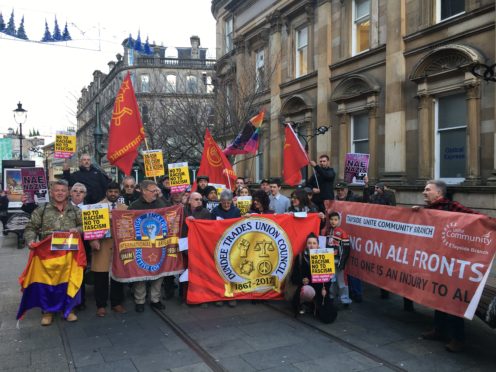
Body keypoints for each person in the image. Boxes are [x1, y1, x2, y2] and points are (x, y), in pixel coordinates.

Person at [417, 180, 478, 353]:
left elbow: (477, 218)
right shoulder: (429, 210)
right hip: (437, 262)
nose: (424, 192)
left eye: (427, 189)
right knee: (439, 296)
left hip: (452, 264)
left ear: (439, 193)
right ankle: (440, 330)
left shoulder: (452, 207)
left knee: (452, 300)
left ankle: (458, 338)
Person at [24, 179, 83, 326]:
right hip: (48, 256)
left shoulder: (75, 210)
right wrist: (31, 241)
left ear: (68, 192)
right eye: (57, 190)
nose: (60, 193)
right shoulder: (42, 209)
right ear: (51, 192)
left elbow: (85, 226)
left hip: (70, 255)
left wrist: (78, 230)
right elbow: (30, 227)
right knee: (49, 283)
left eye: (63, 190)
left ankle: (69, 310)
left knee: (69, 282)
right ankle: (48, 311)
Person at [128, 180, 168, 313]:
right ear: (144, 191)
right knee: (141, 270)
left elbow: (170, 216)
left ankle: (155, 299)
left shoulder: (161, 203)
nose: (156, 193)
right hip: (141, 244)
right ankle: (140, 300)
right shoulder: (135, 206)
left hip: (158, 243)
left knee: (159, 270)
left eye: (156, 191)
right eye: (153, 191)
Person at [89, 182, 127, 317]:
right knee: (101, 277)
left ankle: (116, 303)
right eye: (110, 191)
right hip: (102, 246)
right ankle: (101, 305)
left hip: (119, 247)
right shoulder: (97, 207)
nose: (113, 194)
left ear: (119, 193)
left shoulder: (125, 208)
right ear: (106, 192)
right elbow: (91, 228)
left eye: (116, 192)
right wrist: (93, 240)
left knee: (118, 275)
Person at [290, 233, 337, 323]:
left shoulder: (324, 256)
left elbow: (328, 277)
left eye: (314, 243)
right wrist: (302, 280)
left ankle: (314, 306)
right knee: (308, 290)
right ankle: (304, 303)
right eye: (309, 243)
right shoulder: (300, 257)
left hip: (320, 287)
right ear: (306, 245)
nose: (311, 245)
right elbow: (294, 277)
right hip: (307, 287)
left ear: (318, 245)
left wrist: (325, 288)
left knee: (327, 315)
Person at [334, 182, 363, 302]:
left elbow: (367, 203)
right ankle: (345, 292)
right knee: (342, 266)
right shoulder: (334, 201)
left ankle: (356, 293)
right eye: (338, 190)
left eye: (342, 190)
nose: (340, 192)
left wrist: (366, 186)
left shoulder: (355, 199)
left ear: (346, 190)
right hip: (339, 238)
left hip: (354, 237)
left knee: (354, 266)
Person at [210, 189, 241, 308]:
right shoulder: (215, 211)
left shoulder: (236, 210)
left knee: (232, 270)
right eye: (224, 203)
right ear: (220, 201)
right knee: (219, 271)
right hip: (219, 244)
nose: (227, 205)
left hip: (233, 245)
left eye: (229, 202)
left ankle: (231, 295)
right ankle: (219, 296)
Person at [181, 192, 211, 305]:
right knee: (185, 272)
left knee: (201, 273)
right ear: (189, 201)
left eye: (200, 199)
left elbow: (208, 229)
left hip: (199, 247)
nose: (199, 201)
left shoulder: (205, 212)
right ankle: (185, 297)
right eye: (196, 199)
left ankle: (202, 297)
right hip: (185, 245)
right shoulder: (182, 211)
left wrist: (197, 223)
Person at [324, 212, 352, 307]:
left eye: (335, 220)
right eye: (331, 219)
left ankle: (345, 299)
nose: (333, 221)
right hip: (329, 261)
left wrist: (342, 263)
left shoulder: (342, 233)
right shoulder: (327, 231)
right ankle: (331, 296)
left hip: (339, 262)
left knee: (341, 281)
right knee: (331, 281)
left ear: (339, 220)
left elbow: (346, 250)